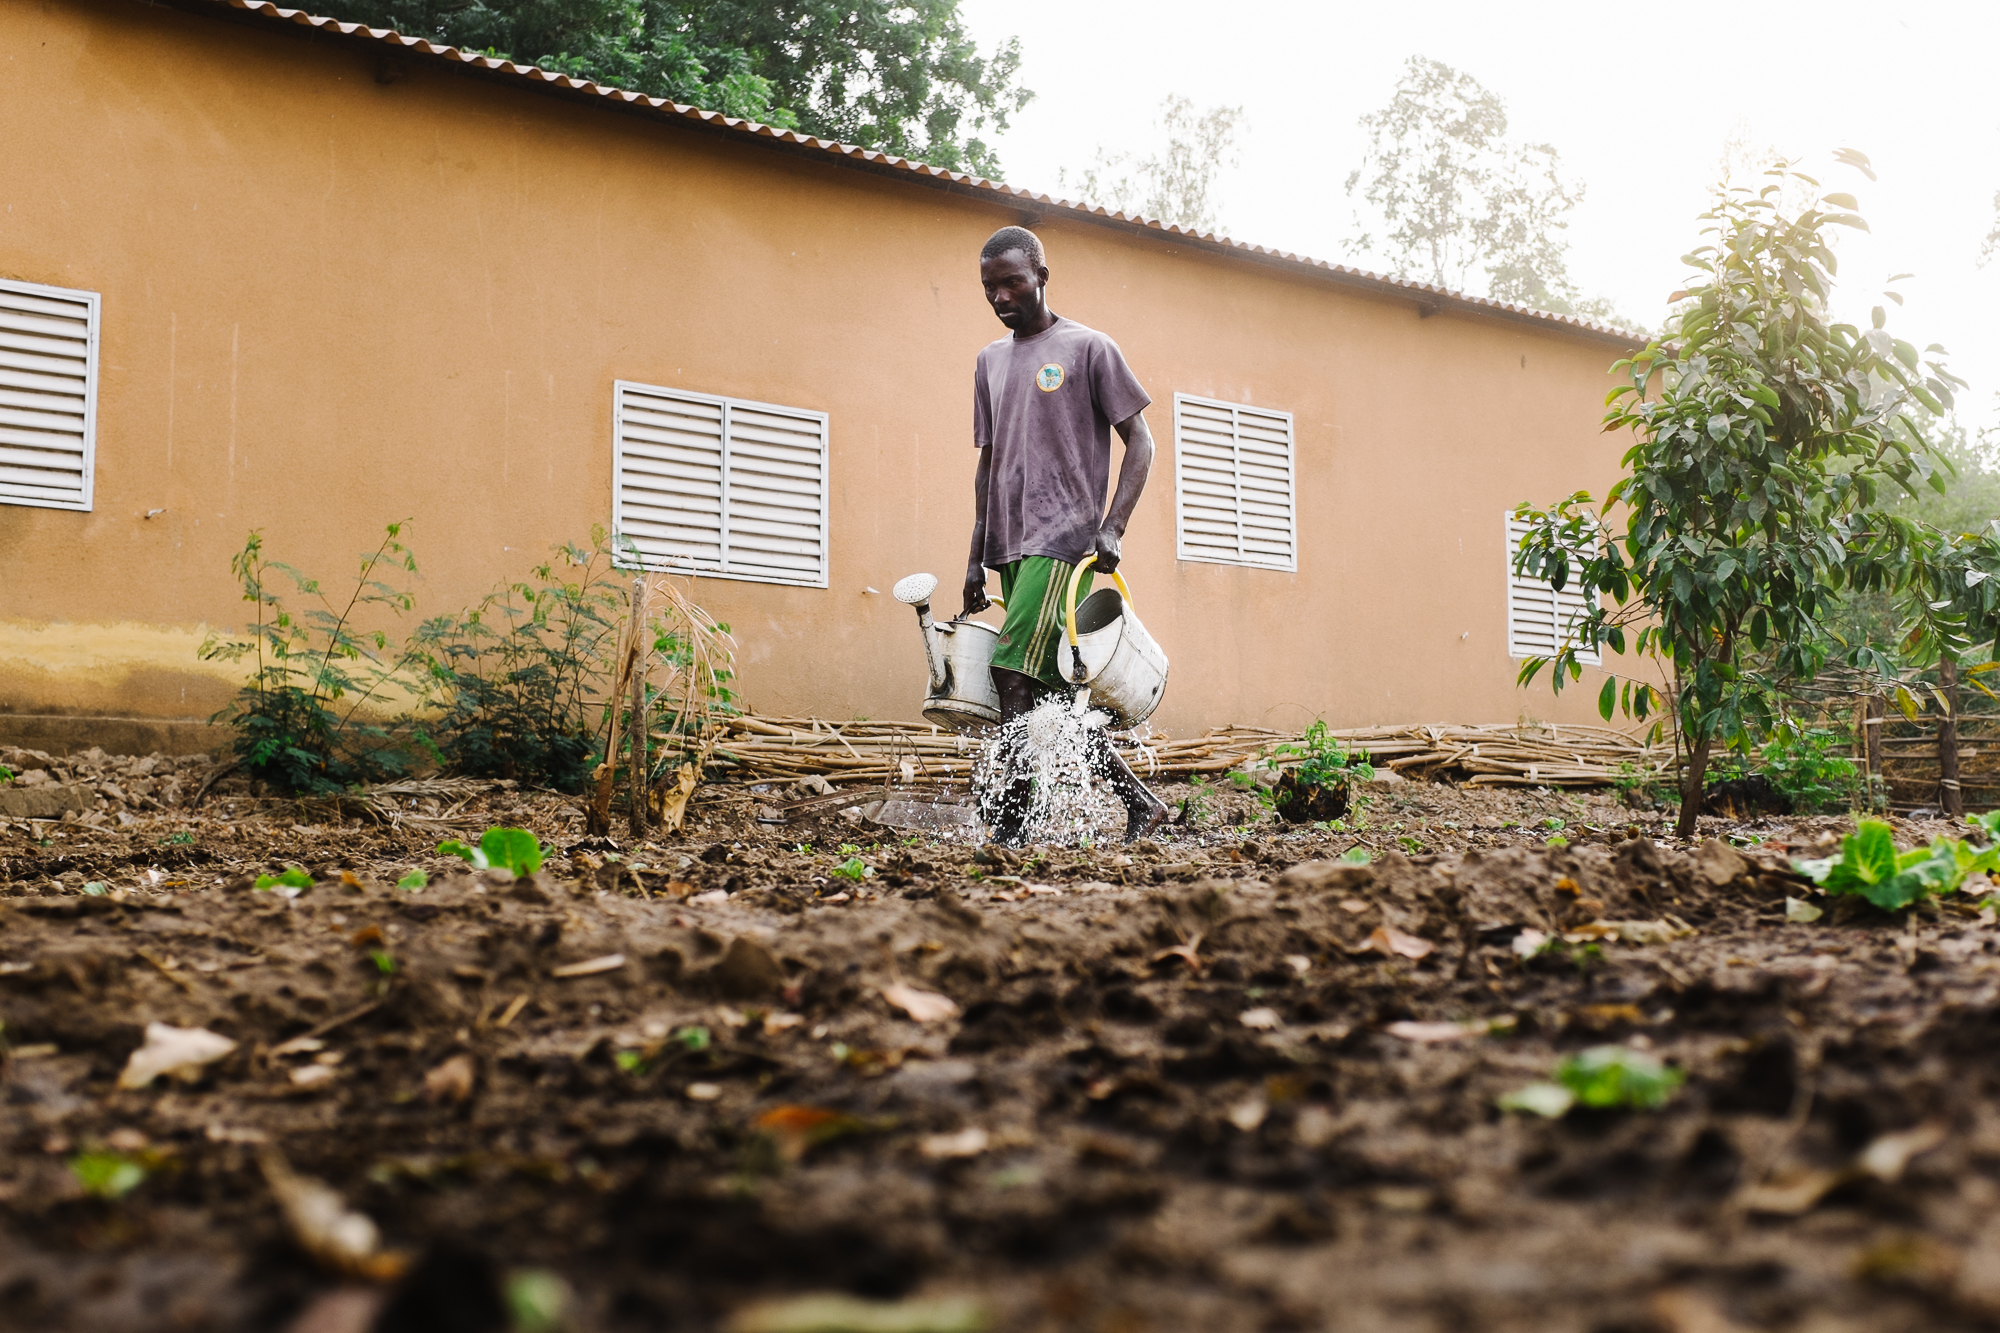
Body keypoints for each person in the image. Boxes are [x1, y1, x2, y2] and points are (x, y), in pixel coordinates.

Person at [962, 224, 1170, 845]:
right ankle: (1140, 804)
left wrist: (1114, 526)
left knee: (1010, 674)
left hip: (1062, 541)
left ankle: (1012, 824)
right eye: (989, 287)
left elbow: (1143, 442)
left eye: (1012, 282)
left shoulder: (1088, 348)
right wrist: (975, 556)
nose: (1000, 297)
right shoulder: (989, 362)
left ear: (1042, 277)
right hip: (1008, 543)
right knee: (1048, 693)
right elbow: (988, 462)